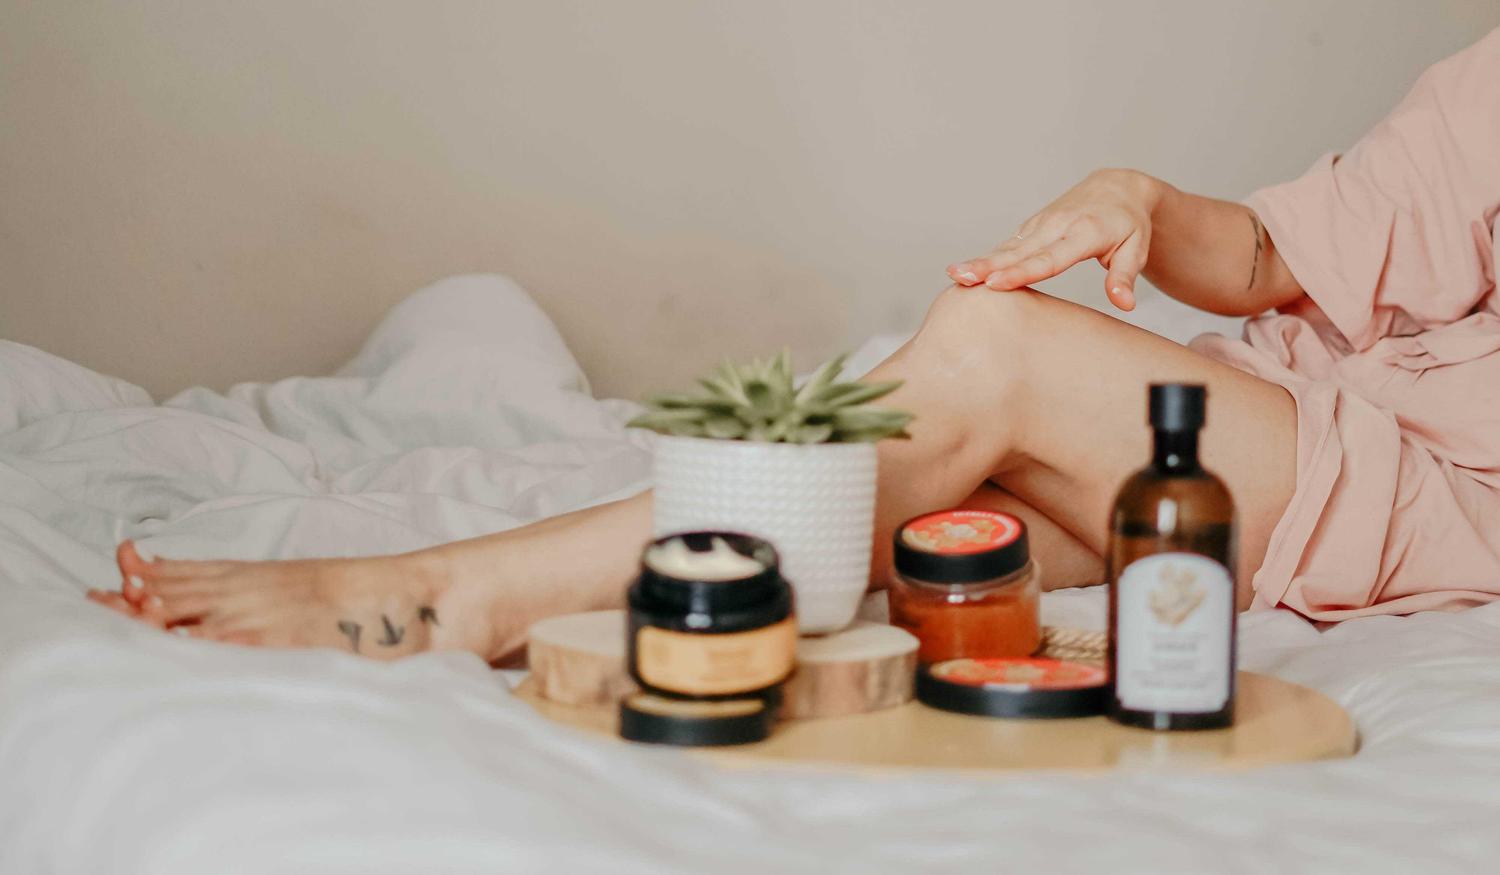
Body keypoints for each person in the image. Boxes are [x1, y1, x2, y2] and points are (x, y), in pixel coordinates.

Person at [91, 30, 1500, 661]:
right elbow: (1271, 256)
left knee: (995, 351)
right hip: (1294, 419)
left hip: (1446, 505)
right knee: (936, 523)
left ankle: (446, 597)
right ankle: (539, 596)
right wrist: (1137, 196)